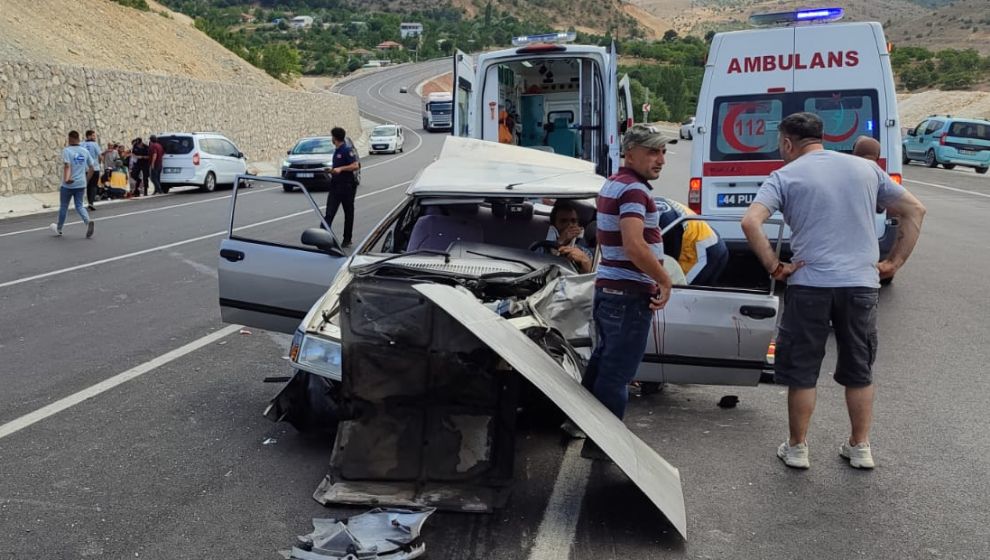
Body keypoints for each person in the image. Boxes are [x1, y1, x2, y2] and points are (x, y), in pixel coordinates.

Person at [741, 112, 926, 470]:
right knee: (859, 368)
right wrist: (893, 263)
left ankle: (797, 448)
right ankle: (860, 447)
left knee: (803, 370)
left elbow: (751, 221)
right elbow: (915, 210)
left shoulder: (785, 175)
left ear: (788, 143)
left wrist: (775, 266)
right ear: (820, 137)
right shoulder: (864, 169)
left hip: (810, 285)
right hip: (860, 285)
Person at [580, 124, 676, 459]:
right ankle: (605, 445)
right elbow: (635, 246)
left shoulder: (614, 183)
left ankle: (582, 424)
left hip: (610, 289)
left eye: (663, 151)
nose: (660, 159)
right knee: (617, 375)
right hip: (628, 294)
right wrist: (664, 279)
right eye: (652, 151)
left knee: (604, 363)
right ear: (630, 153)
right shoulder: (634, 191)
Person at [655, 196, 729, 285]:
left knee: (682, 291)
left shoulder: (663, 221)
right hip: (694, 242)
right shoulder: (645, 206)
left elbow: (669, 262)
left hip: (705, 251)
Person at [50, 130, 96, 238]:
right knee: (79, 205)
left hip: (68, 184)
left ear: (70, 138)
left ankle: (59, 228)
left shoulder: (67, 150)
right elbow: (92, 168)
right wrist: (86, 180)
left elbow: (67, 165)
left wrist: (66, 178)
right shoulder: (84, 151)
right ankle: (87, 221)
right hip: (81, 183)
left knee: (64, 206)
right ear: (78, 138)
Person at [324, 127, 360, 248]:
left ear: (335, 138)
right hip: (335, 186)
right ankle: (323, 238)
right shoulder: (337, 150)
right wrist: (333, 171)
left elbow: (355, 166)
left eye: (332, 136)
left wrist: (340, 169)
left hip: (347, 186)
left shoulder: (347, 150)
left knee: (348, 213)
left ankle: (347, 239)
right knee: (329, 212)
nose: (331, 139)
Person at [539, 200, 594, 273]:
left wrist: (585, 262)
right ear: (554, 226)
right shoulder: (541, 248)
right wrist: (560, 242)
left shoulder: (585, 252)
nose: (570, 225)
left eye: (573, 221)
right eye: (563, 221)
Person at [81, 130, 102, 211]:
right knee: (93, 186)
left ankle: (83, 202)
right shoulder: (95, 144)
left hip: (85, 169)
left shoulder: (81, 144)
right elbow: (100, 156)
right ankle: (91, 203)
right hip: (94, 168)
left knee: (87, 185)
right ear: (88, 136)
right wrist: (99, 163)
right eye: (93, 135)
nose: (94, 137)